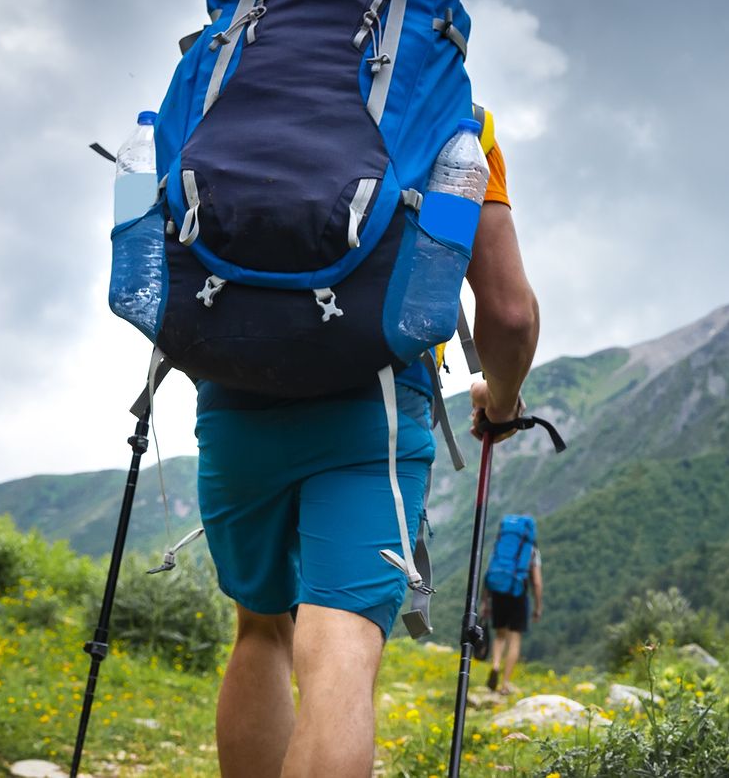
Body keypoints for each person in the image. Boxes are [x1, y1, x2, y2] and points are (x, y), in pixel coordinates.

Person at [195, 112, 540, 778]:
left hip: (233, 380)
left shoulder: (230, 80)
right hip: (373, 397)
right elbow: (510, 313)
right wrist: (499, 404)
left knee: (260, 626)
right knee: (344, 642)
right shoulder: (457, 115)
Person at [481, 522, 543, 695]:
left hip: (498, 593)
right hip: (518, 595)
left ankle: (495, 666)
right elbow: (537, 583)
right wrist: (538, 606)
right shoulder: (531, 550)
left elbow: (488, 574)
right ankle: (505, 683)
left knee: (500, 636)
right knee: (514, 639)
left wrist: (485, 602)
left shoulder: (500, 547)